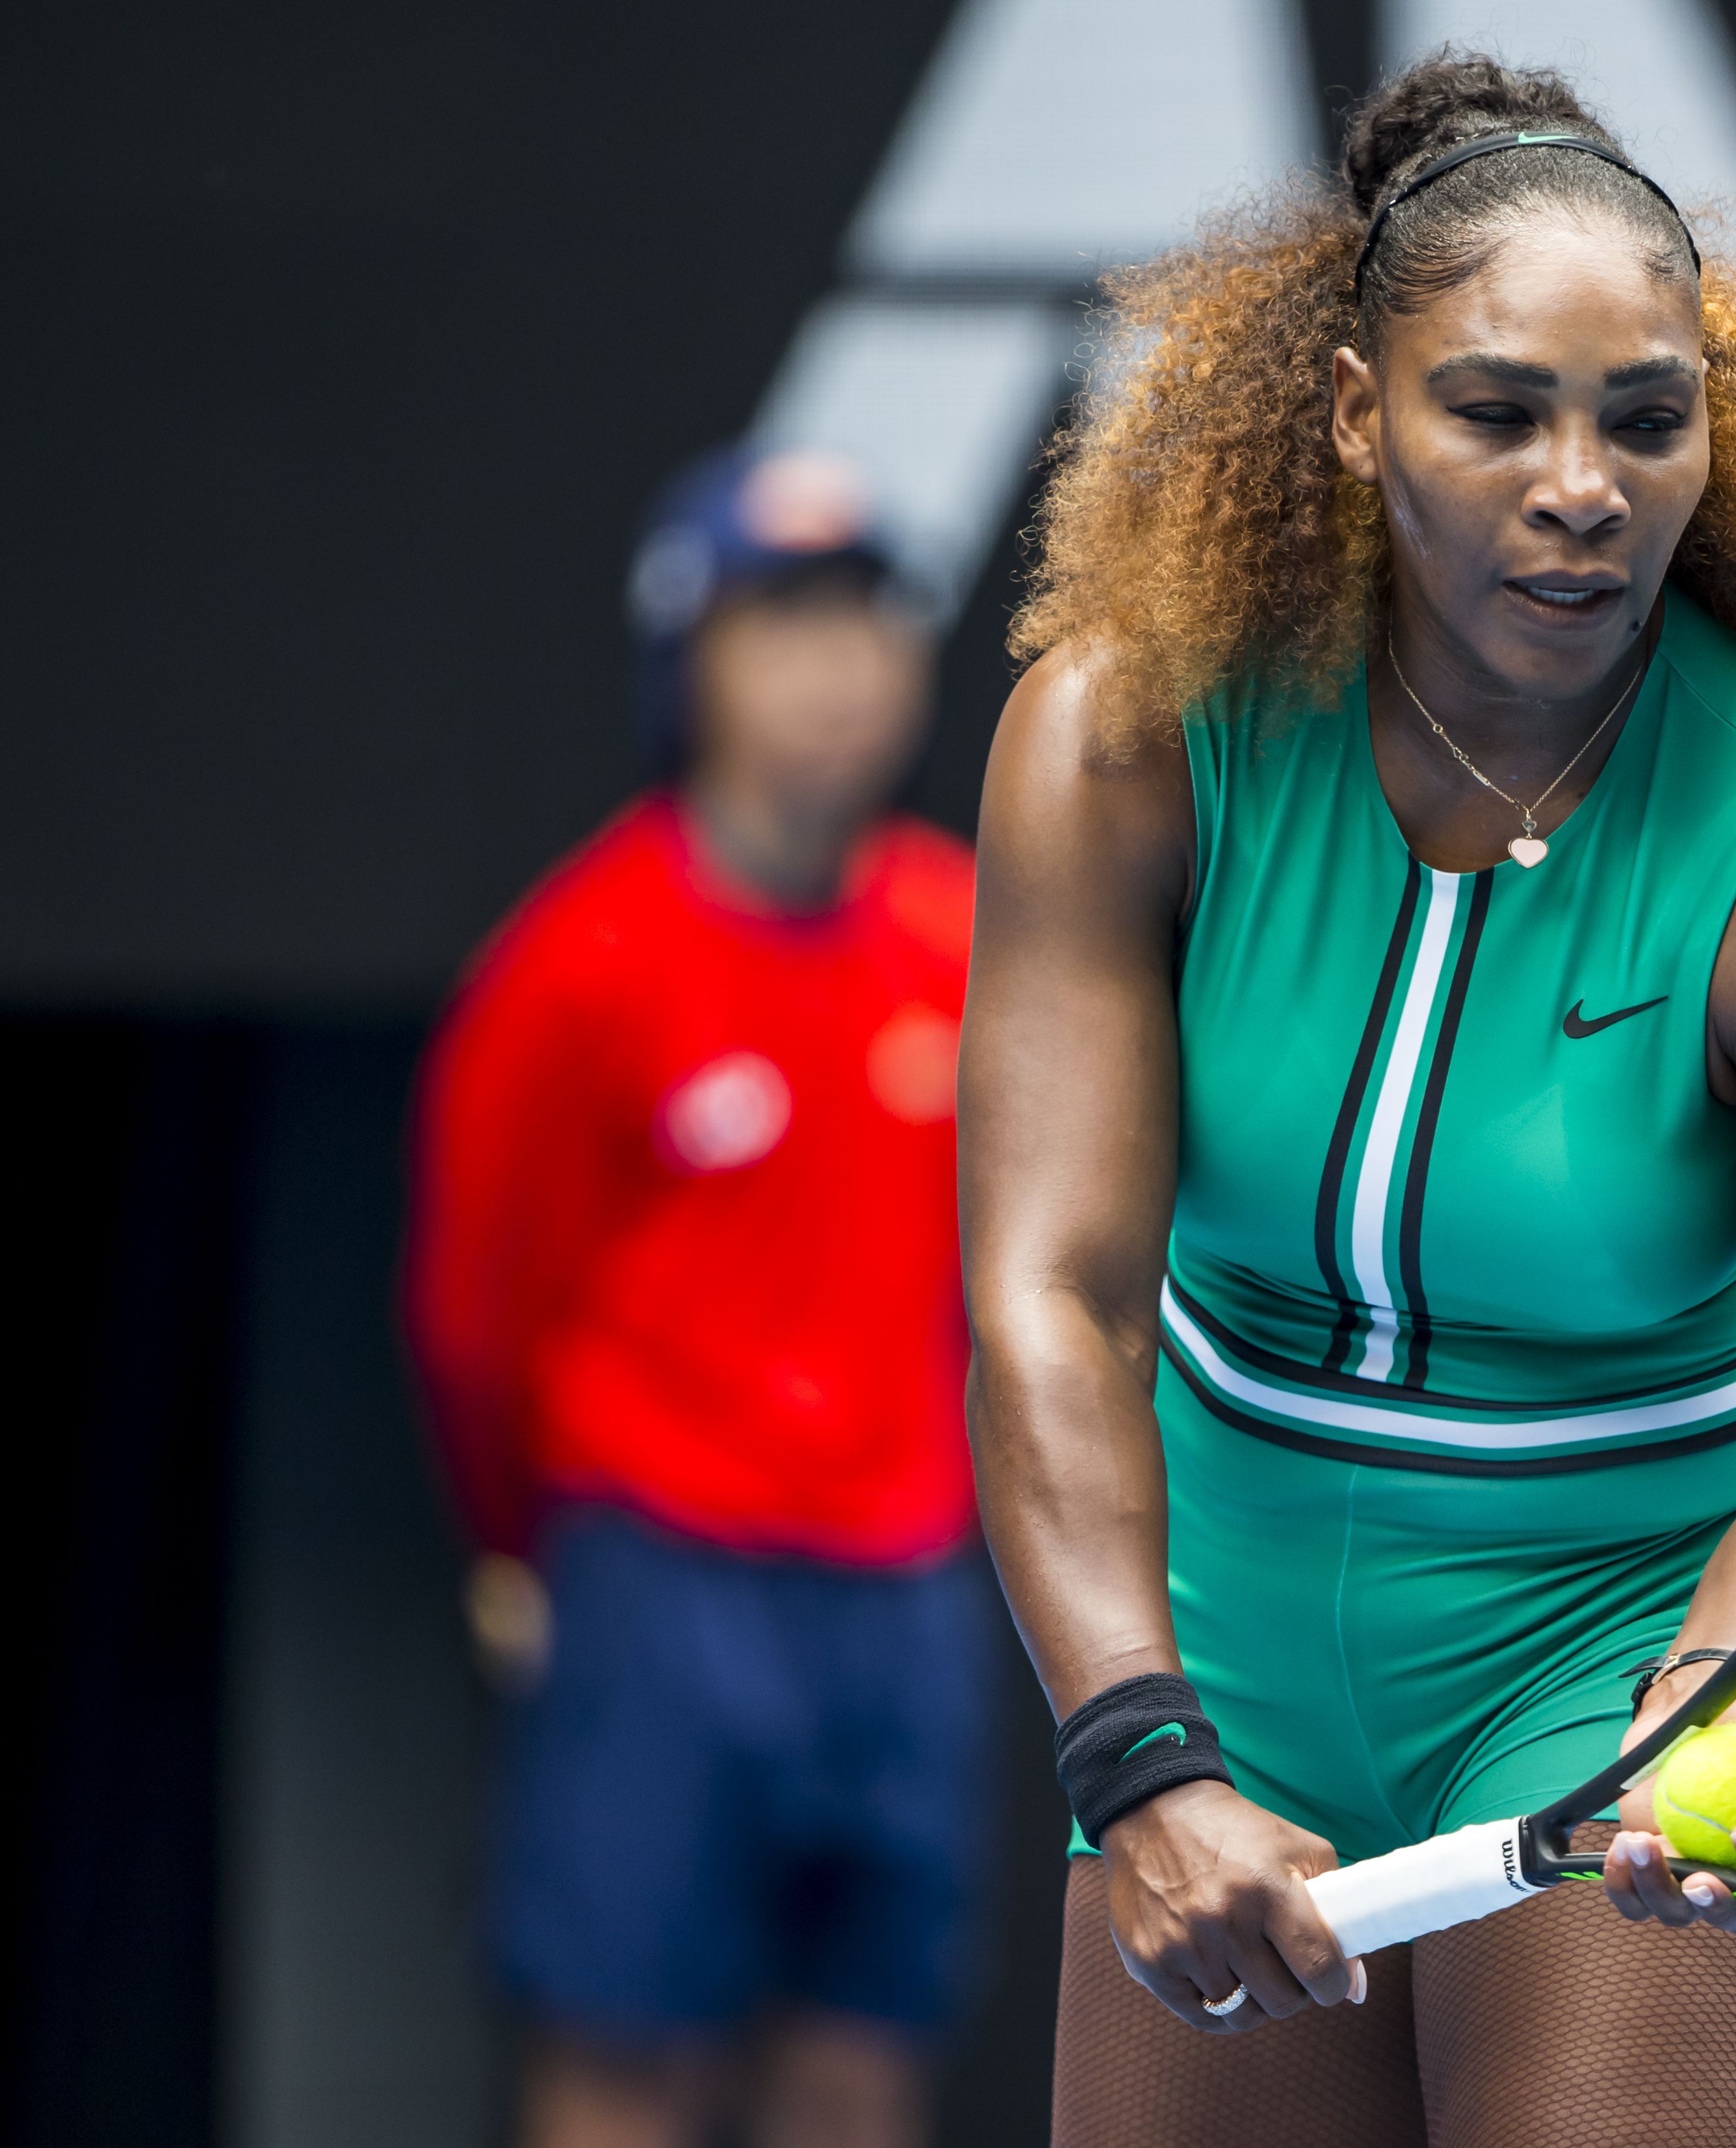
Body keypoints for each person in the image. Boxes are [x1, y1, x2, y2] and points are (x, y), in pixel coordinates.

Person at [960, 49, 1736, 2147]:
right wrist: (1138, 1752)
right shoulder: (1122, 736)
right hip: (1226, 1651)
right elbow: (1054, 1300)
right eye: (1501, 411)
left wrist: (1711, 1710)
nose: (1586, 481)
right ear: (1363, 415)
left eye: (1651, 416)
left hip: (1654, 1629)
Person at [406, 445, 990, 2148]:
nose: (832, 671)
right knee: (621, 2066)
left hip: (904, 1594)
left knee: (862, 2065)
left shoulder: (970, 939)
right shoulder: (576, 962)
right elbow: (472, 1321)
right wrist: (535, 1552)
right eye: (780, 624)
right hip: (662, 1587)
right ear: (693, 663)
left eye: (865, 623)